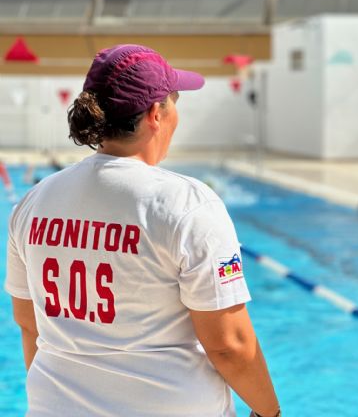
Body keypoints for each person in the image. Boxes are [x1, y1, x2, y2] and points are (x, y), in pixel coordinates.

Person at [4, 44, 280, 417]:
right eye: (176, 101)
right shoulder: (187, 204)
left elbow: (29, 325)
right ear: (156, 114)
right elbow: (229, 345)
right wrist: (270, 413)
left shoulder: (33, 203)